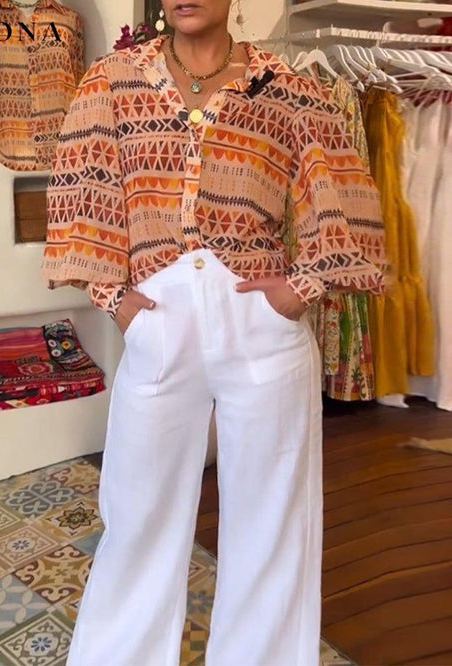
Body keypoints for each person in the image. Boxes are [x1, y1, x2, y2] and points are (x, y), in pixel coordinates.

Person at [41, 1, 388, 664]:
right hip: (158, 321)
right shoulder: (111, 80)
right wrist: (114, 301)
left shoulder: (289, 88)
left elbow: (343, 192)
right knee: (137, 519)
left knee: (270, 523)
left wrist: (300, 290)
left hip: (259, 325)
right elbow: (84, 188)